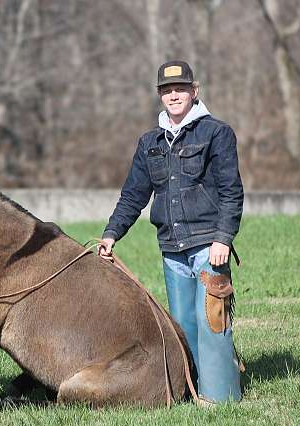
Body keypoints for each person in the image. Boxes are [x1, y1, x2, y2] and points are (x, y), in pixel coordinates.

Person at [99, 60, 243, 405]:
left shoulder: (216, 133)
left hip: (209, 246)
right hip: (171, 249)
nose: (173, 95)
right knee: (182, 326)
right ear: (160, 96)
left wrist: (223, 238)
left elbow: (231, 191)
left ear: (195, 92)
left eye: (180, 89)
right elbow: (134, 194)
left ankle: (221, 397)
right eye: (167, 90)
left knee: (211, 321)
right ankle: (191, 391)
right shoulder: (150, 142)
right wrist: (111, 234)